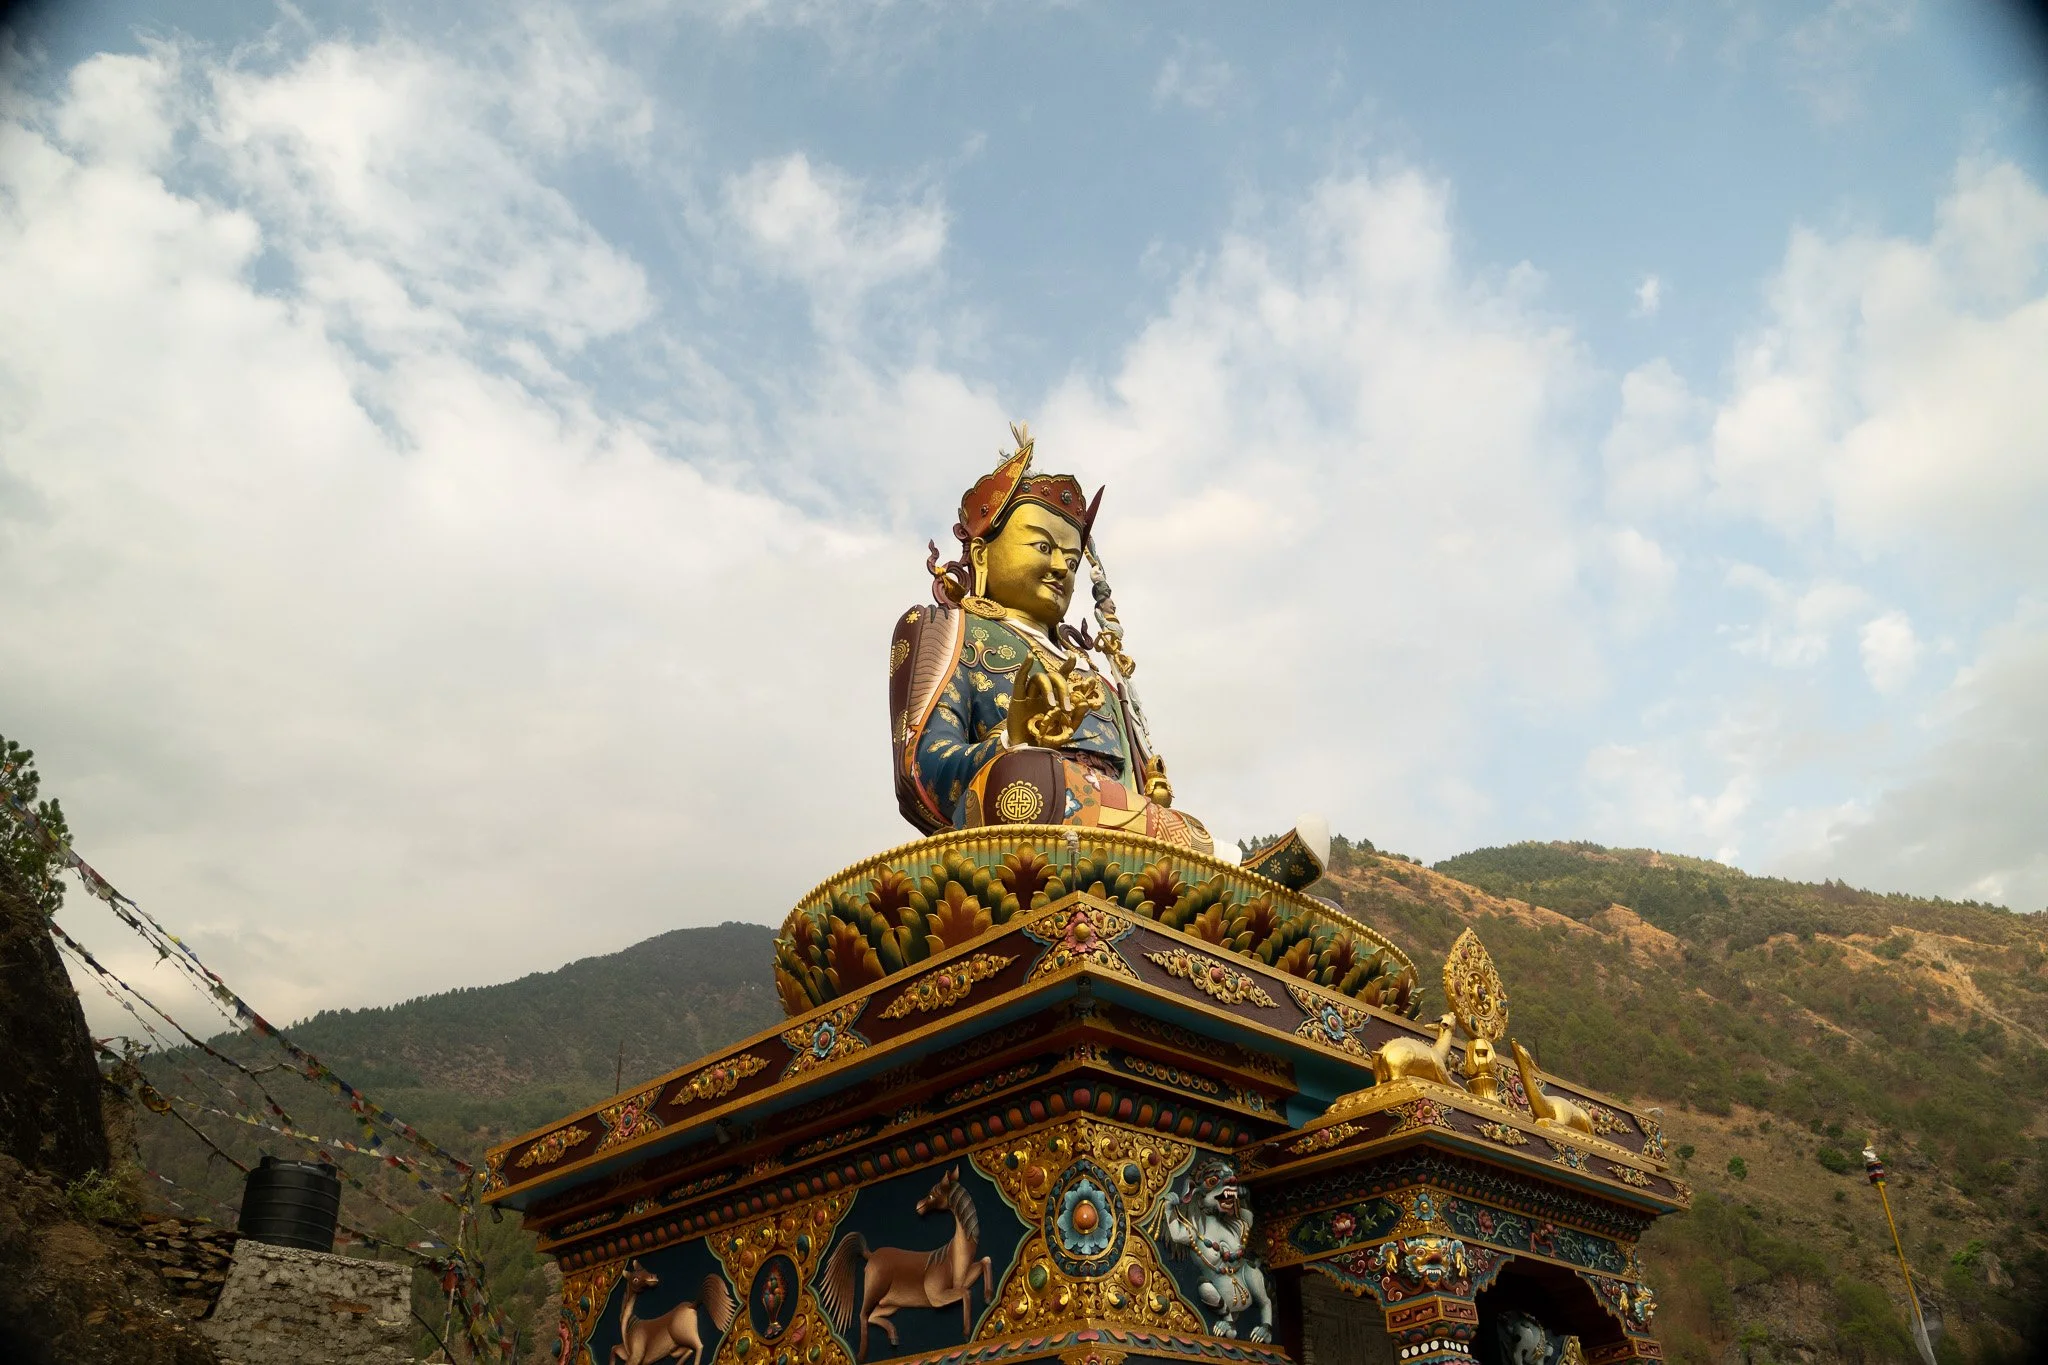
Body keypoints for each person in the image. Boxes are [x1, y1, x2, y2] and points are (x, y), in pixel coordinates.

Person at [888, 424, 1217, 854]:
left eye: (1072, 559)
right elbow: (921, 766)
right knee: (1026, 778)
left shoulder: (1094, 673)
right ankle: (1208, 860)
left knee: (1178, 823)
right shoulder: (947, 629)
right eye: (1043, 548)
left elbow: (1130, 784)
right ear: (983, 554)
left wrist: (1147, 792)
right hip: (1019, 806)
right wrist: (1012, 740)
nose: (1062, 568)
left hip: (1113, 820)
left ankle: (1216, 861)